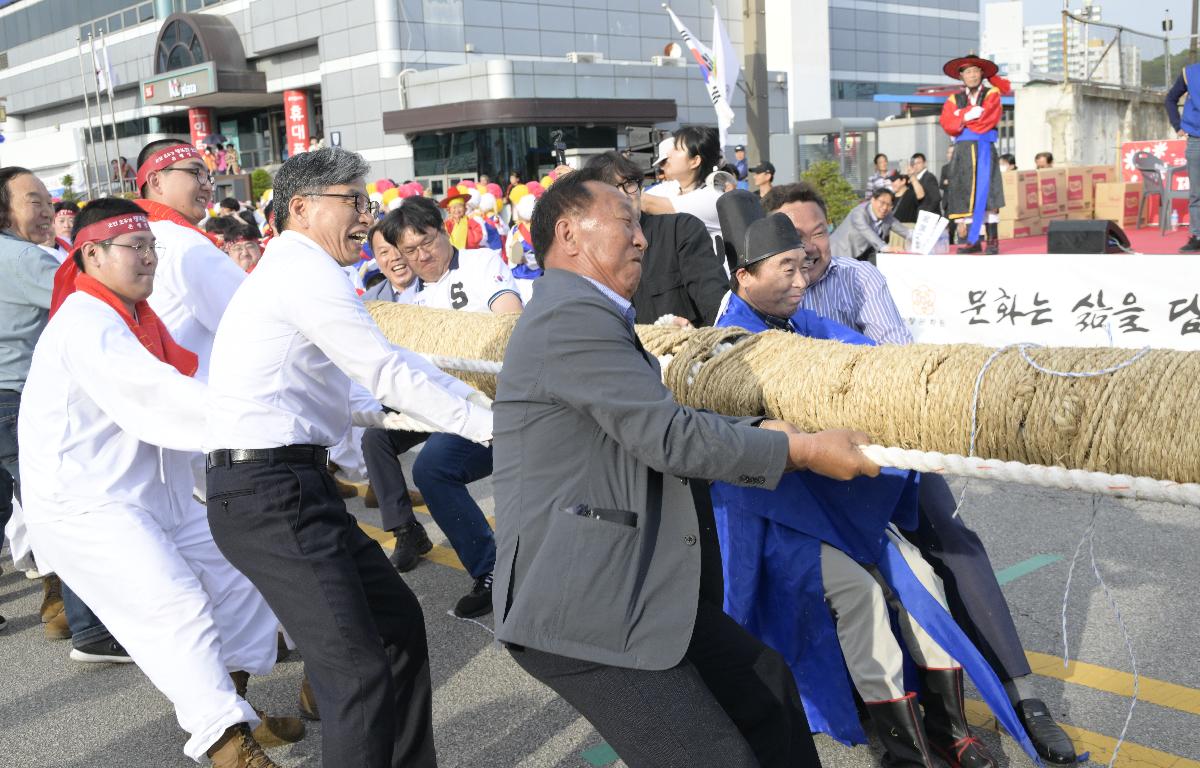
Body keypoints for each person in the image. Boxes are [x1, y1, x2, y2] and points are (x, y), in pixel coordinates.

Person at [491, 171, 881, 768]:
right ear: (569, 233)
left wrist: (763, 431)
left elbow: (657, 420)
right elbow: (668, 437)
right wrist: (798, 452)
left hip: (638, 582)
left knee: (767, 688)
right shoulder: (569, 320)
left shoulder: (592, 314)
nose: (642, 239)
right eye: (626, 223)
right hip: (588, 606)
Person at [761, 182, 1079, 765]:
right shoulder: (764, 299)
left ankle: (1025, 698)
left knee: (953, 539)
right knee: (836, 575)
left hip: (886, 450)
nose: (808, 250)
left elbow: (898, 367)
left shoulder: (860, 280)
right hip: (811, 468)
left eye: (817, 233)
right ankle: (887, 718)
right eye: (792, 240)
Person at [204, 146, 493, 768]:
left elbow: (367, 390)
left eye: (367, 201)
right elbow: (385, 370)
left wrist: (482, 408)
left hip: (288, 486)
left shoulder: (307, 273)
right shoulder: (300, 273)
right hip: (268, 492)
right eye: (353, 201)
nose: (367, 217)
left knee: (396, 628)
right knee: (355, 670)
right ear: (301, 208)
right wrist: (493, 428)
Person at [22, 197, 288, 766]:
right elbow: (159, 397)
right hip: (87, 504)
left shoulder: (136, 317)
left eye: (151, 247)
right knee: (176, 606)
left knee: (236, 577)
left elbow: (188, 387)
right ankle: (226, 743)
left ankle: (231, 706)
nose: (148, 260)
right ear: (91, 255)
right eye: (133, 248)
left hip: (150, 491)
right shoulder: (86, 322)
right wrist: (267, 422)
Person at [582, 151, 727, 327]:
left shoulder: (680, 230)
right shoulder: (588, 255)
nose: (623, 195)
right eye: (611, 188)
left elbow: (718, 308)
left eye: (629, 184)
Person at [763, 183, 910, 344]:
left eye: (819, 233)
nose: (810, 247)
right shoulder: (755, 288)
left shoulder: (861, 277)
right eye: (796, 236)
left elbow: (897, 349)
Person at [940, 54, 1011, 255]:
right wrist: (965, 115)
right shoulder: (954, 98)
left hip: (984, 148)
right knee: (965, 192)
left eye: (975, 71)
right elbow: (947, 124)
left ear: (981, 73)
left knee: (988, 192)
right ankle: (972, 240)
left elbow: (986, 121)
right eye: (967, 72)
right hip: (962, 152)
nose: (972, 75)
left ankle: (992, 241)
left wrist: (959, 118)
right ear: (961, 76)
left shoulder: (992, 94)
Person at [641, 126, 724, 245]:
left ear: (695, 161)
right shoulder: (672, 187)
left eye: (677, 149)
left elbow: (644, 202)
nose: (669, 153)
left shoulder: (713, 198)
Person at [1165, 67, 1200, 251]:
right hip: (1196, 140)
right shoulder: (1191, 73)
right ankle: (1198, 235)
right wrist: (1177, 126)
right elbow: (1170, 99)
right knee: (1197, 193)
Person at [830, 187, 912, 263]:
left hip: (864, 253)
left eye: (889, 205)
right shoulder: (859, 213)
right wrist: (887, 248)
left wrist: (918, 236)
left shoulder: (887, 215)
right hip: (841, 252)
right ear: (873, 200)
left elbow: (904, 231)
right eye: (882, 203)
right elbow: (867, 232)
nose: (884, 208)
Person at [908, 152, 942, 218]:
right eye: (913, 164)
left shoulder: (929, 177)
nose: (916, 166)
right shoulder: (914, 179)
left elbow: (936, 198)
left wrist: (927, 214)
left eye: (918, 163)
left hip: (930, 217)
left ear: (925, 163)